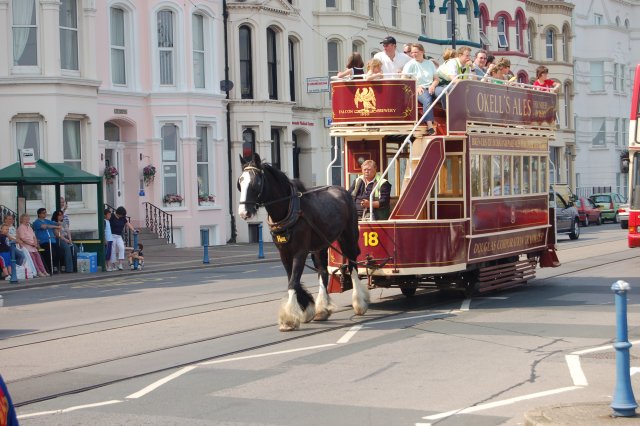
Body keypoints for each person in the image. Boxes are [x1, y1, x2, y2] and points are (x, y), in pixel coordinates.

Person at [402, 43, 439, 135]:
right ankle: (430, 126)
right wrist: (416, 86)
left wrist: (433, 86)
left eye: (416, 52)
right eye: (412, 52)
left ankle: (448, 118)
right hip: (418, 88)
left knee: (444, 93)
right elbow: (404, 79)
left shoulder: (429, 63)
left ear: (422, 52)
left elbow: (436, 79)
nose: (413, 54)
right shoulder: (410, 64)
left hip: (431, 86)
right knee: (427, 98)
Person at [33, 208, 64, 274]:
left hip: (52, 240)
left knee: (60, 252)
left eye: (45, 212)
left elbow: (55, 223)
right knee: (51, 253)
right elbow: (44, 226)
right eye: (43, 213)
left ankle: (55, 266)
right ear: (39, 214)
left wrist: (59, 223)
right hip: (44, 241)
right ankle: (50, 268)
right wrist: (55, 227)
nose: (45, 214)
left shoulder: (47, 220)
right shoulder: (36, 222)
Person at [109, 206, 136, 271]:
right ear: (118, 213)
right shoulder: (112, 216)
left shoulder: (123, 218)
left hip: (119, 236)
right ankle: (113, 265)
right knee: (113, 250)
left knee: (121, 248)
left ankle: (120, 264)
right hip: (112, 235)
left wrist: (133, 230)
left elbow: (127, 223)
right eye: (121, 215)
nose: (122, 216)